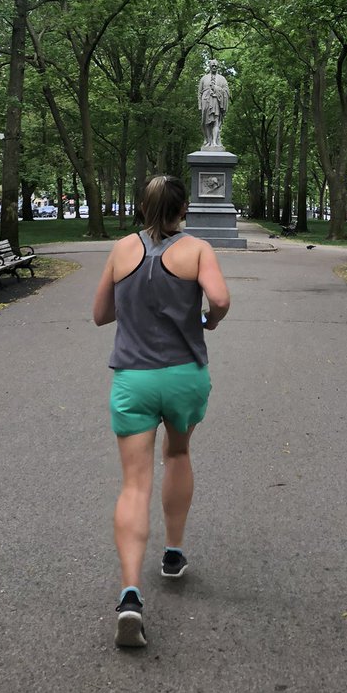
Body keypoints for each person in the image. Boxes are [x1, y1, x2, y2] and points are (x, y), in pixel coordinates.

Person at [93, 174, 230, 648]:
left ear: (143, 207)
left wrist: (134, 307)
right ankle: (172, 554)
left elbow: (100, 314)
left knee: (134, 483)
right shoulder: (197, 250)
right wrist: (206, 321)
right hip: (184, 375)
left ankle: (130, 594)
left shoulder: (121, 250)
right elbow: (220, 299)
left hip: (134, 378)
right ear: (183, 208)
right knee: (178, 455)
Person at [198, 61, 230, 149]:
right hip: (205, 101)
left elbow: (227, 91)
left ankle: (215, 142)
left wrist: (216, 88)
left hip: (216, 101)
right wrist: (200, 105)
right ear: (209, 66)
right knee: (206, 122)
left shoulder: (222, 79)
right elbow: (199, 93)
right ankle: (209, 141)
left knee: (216, 121)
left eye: (216, 65)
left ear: (218, 66)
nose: (214, 67)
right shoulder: (204, 78)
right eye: (212, 65)